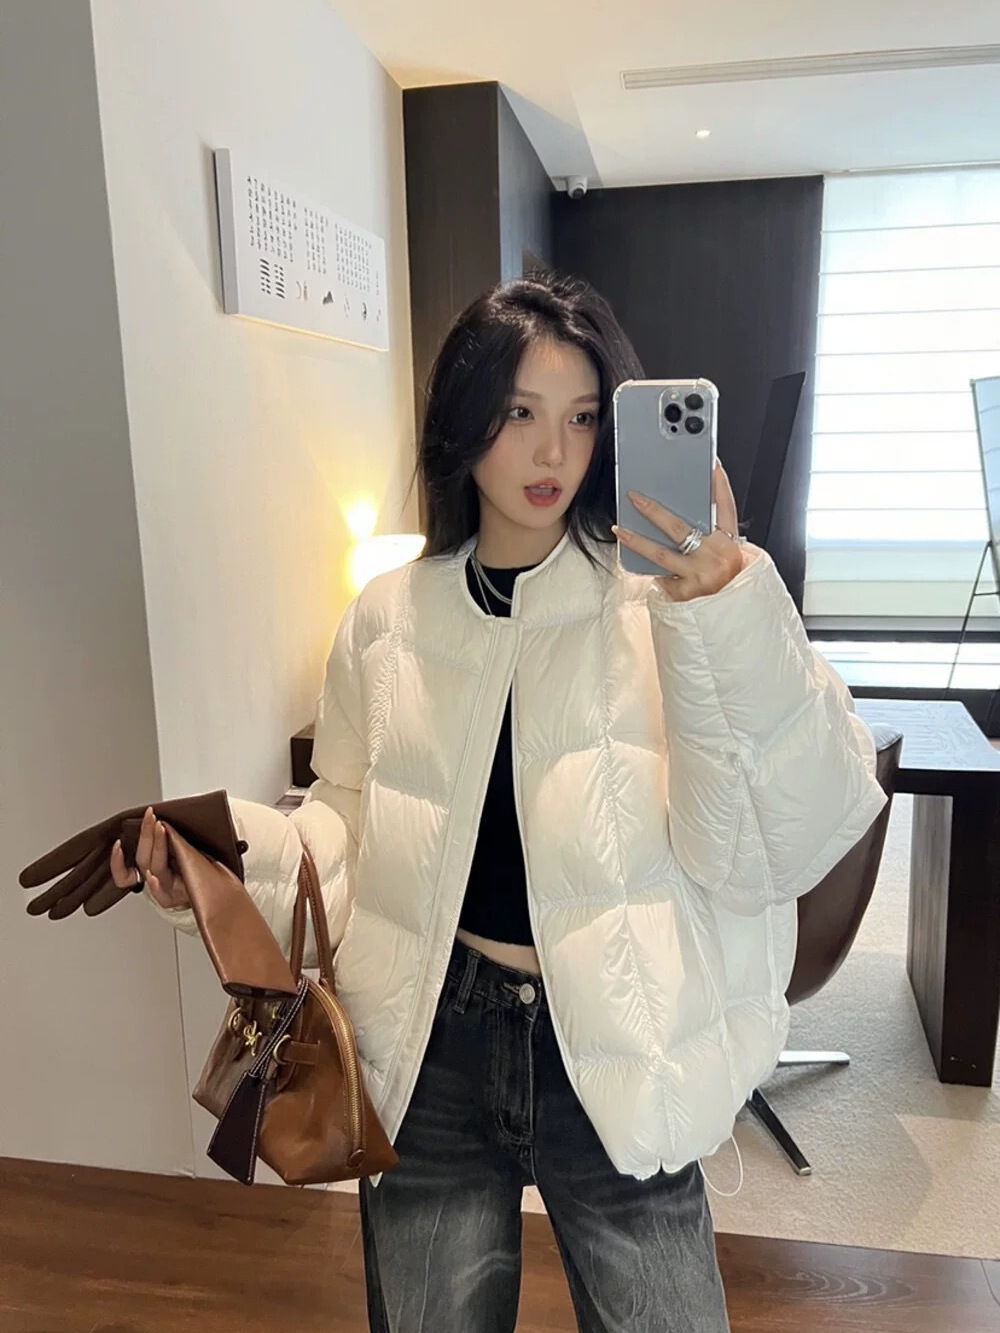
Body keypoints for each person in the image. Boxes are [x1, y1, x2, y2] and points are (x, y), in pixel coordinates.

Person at [112, 272, 888, 1333]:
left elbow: (776, 839)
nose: (552, 450)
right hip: (433, 1038)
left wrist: (729, 610)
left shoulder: (669, 608)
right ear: (465, 420)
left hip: (619, 1037)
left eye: (582, 416)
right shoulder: (385, 617)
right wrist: (219, 853)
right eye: (519, 412)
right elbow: (343, 831)